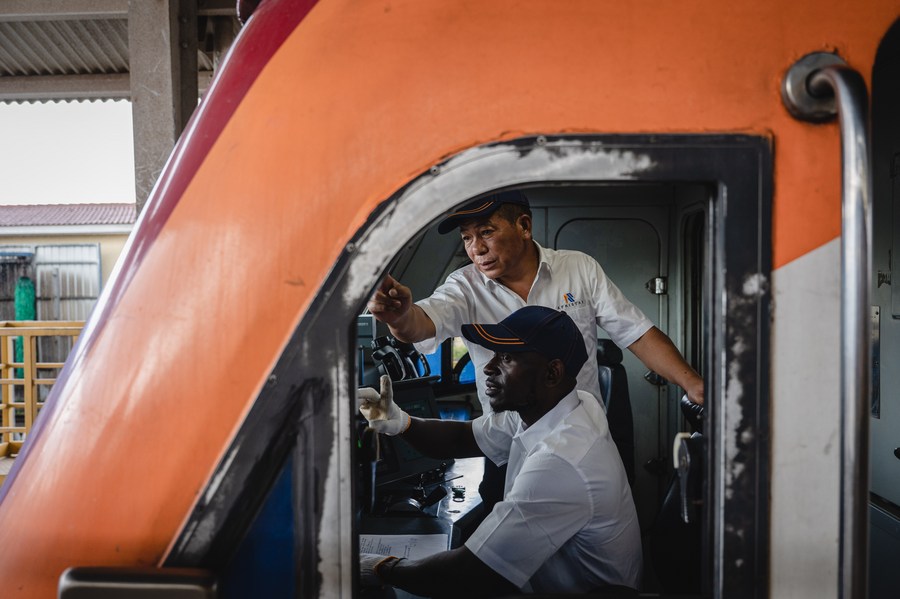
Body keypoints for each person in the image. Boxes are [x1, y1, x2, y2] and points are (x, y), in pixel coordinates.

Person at [367, 189, 703, 505]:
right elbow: (421, 323)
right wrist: (399, 316)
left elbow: (637, 333)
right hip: (507, 443)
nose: (476, 249)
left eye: (485, 232)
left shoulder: (578, 269)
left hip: (579, 441)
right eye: (466, 238)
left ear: (524, 226)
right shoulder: (463, 286)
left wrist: (693, 385)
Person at [358, 306, 642, 596]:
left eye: (506, 358)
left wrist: (378, 567)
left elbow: (468, 575)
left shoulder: (561, 461)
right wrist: (400, 422)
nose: (488, 367)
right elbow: (461, 437)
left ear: (552, 373)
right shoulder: (569, 404)